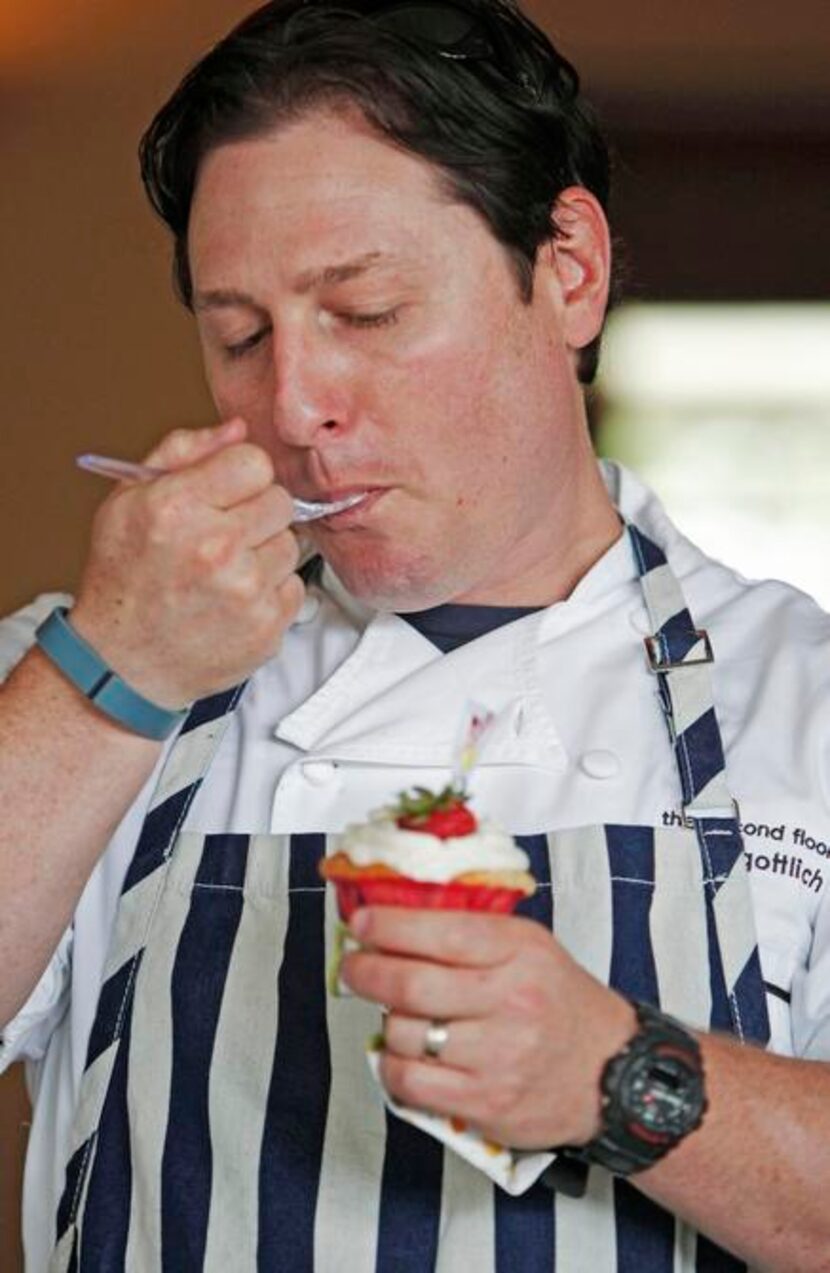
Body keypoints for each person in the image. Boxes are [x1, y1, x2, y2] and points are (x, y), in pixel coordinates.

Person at [1, 1, 829, 1268]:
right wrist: (120, 673)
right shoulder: (85, 671)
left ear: (566, 271)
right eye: (238, 335)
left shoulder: (801, 701)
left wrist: (623, 1076)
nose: (294, 404)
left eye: (369, 310)